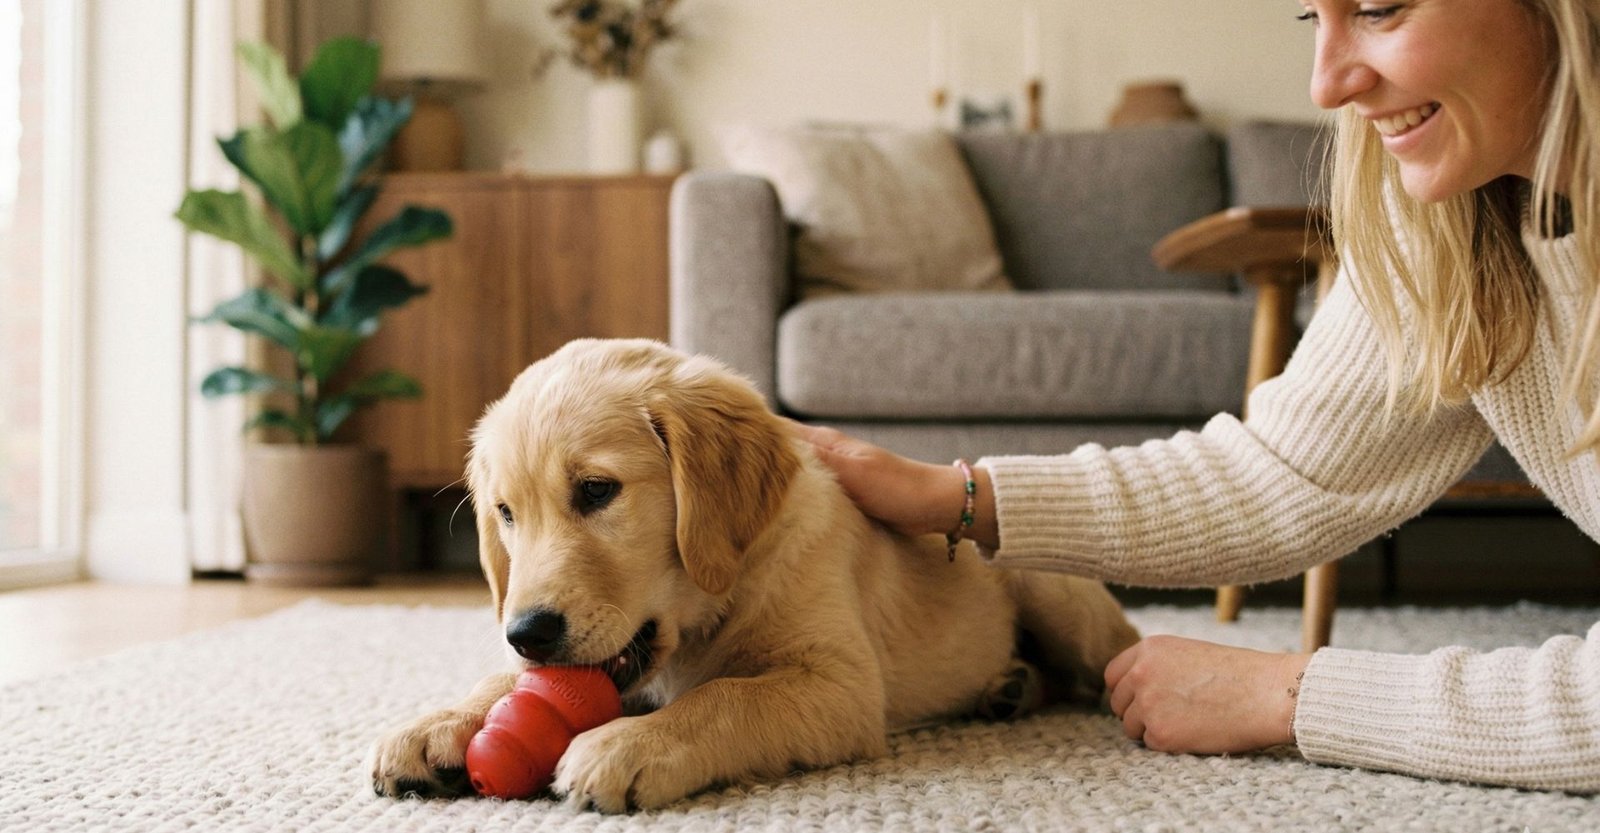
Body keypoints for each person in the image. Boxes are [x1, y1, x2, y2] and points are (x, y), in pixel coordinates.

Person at [791, 0, 1600, 794]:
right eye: (1311, 19)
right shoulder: (1447, 219)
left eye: (1380, 10)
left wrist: (1289, 696)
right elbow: (1283, 476)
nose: (1325, 85)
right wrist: (956, 497)